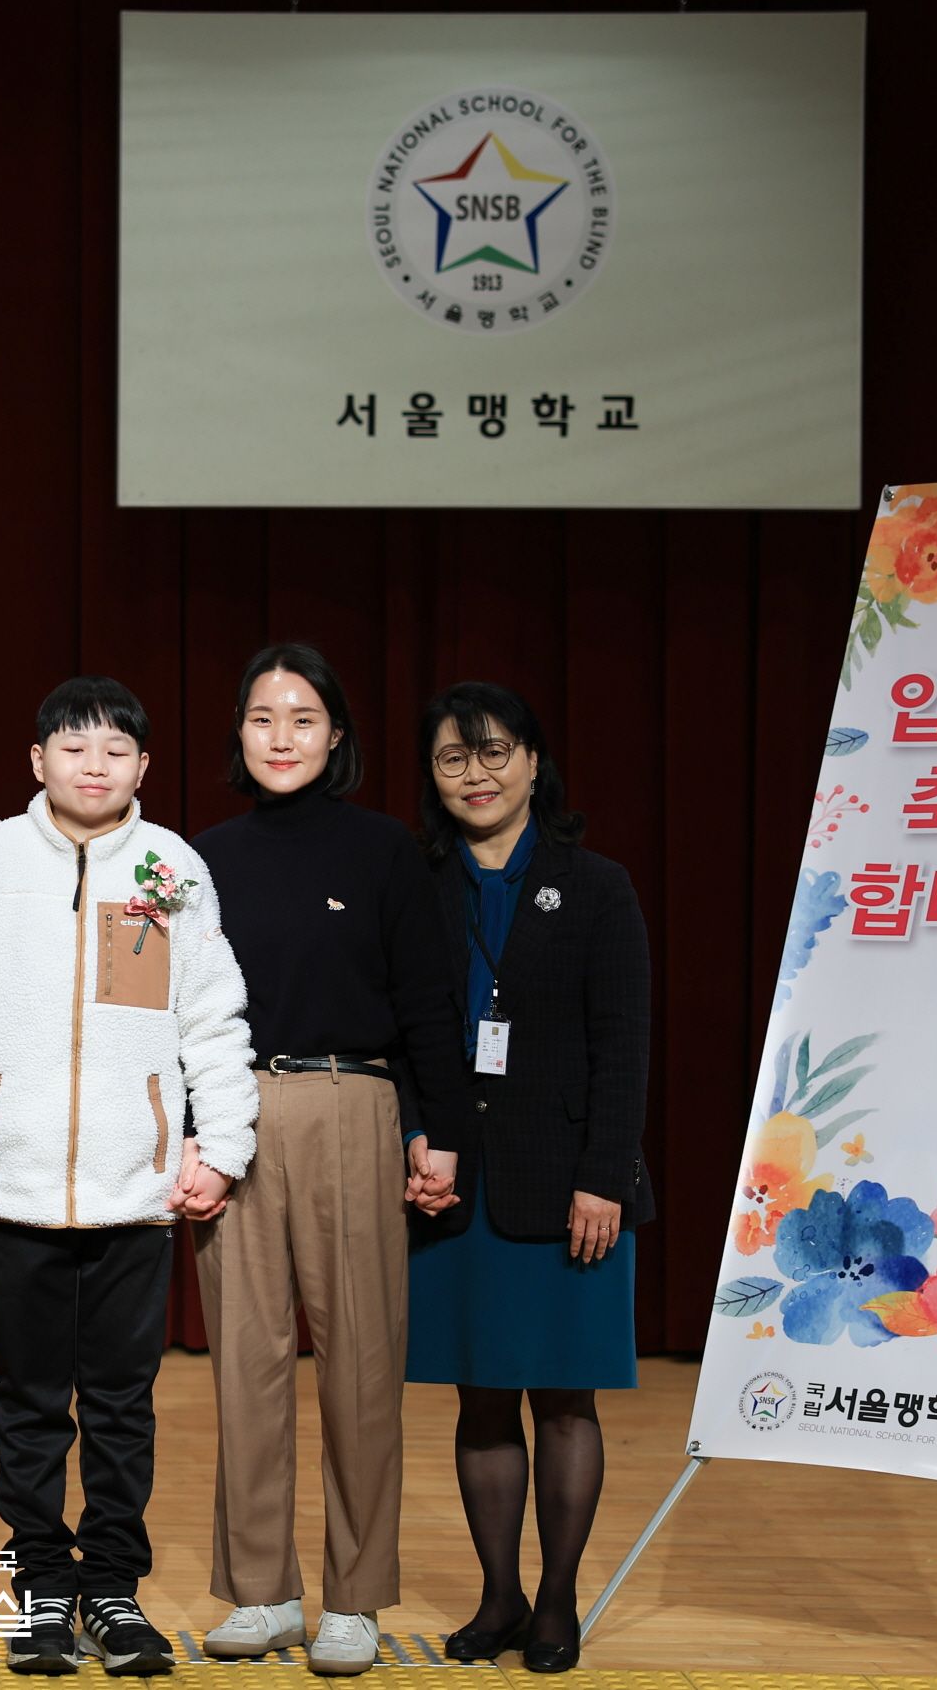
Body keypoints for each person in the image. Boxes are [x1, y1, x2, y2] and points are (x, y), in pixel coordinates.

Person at [0, 676, 258, 1679]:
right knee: (29, 1399)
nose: (94, 764)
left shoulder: (170, 870)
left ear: (142, 768)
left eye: (116, 748)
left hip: (137, 1188)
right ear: (37, 760)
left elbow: (211, 1017)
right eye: (73, 745)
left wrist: (219, 1147)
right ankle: (43, 1591)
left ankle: (114, 1594)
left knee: (123, 1404)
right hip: (18, 1184)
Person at [187, 641, 472, 1677]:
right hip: (235, 1113)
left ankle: (354, 1600)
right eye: (262, 717)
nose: (280, 736)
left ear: (336, 735)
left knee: (360, 1364)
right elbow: (172, 1012)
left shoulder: (386, 850)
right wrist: (185, 1128)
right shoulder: (198, 856)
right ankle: (260, 1592)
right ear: (239, 732)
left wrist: (438, 1131)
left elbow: (428, 1002)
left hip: (357, 1101)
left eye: (301, 718)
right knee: (246, 1366)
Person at [405, 681, 651, 1675]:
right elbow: (404, 1029)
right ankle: (498, 1595)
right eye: (453, 759)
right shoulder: (415, 883)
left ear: (534, 762)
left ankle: (556, 1603)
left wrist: (601, 1178)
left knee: (563, 1402)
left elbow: (623, 1044)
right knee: (478, 1399)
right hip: (453, 1185)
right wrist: (416, 1138)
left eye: (494, 752)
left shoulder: (595, 886)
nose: (476, 774)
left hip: (567, 1186)